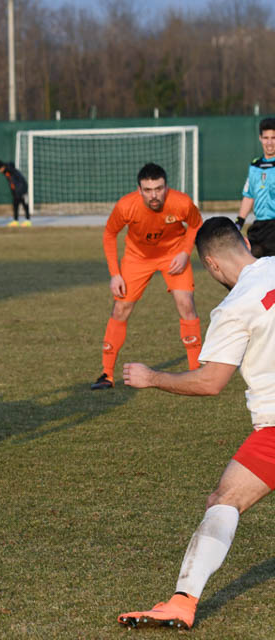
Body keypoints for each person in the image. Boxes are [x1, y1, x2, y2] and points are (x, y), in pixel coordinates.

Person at [117, 217, 275, 630]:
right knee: (224, 498)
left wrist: (152, 377)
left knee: (224, 501)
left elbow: (210, 382)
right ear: (244, 244)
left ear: (211, 265)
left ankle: (183, 601)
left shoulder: (234, 307)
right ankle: (181, 601)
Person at [91, 163, 203, 390]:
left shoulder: (181, 202)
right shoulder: (126, 205)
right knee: (121, 309)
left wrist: (185, 252)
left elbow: (196, 224)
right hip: (137, 258)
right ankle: (107, 374)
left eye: (159, 189)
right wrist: (115, 274)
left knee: (186, 304)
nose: (154, 195)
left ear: (166, 187)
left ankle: (196, 371)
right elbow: (110, 234)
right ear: (139, 190)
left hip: (173, 255)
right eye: (148, 190)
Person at [234, 117, 275, 257]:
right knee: (250, 258)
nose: (269, 142)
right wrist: (239, 222)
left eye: (273, 138)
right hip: (260, 226)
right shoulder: (254, 166)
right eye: (266, 138)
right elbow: (249, 195)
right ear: (260, 138)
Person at [0, 160, 31, 227]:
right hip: (16, 191)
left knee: (25, 204)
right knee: (15, 205)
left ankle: (28, 220)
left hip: (22, 190)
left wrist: (22, 191)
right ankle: (15, 221)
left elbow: (19, 181)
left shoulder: (10, 170)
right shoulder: (6, 172)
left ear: (2, 167)